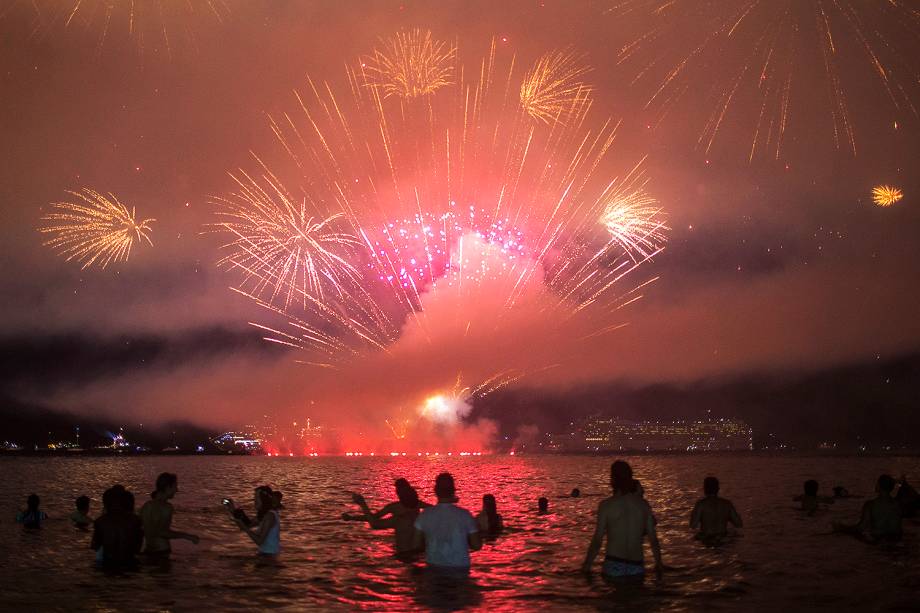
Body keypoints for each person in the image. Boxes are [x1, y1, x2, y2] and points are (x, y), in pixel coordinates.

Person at [582, 460, 663, 580]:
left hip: (613, 563)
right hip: (636, 565)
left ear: (613, 479)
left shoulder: (606, 505)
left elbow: (597, 541)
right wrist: (659, 564)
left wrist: (587, 566)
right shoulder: (643, 505)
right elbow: (653, 540)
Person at [413, 473, 482, 570]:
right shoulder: (465, 515)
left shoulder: (424, 515)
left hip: (434, 567)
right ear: (453, 490)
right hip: (460, 569)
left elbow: (416, 545)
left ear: (435, 490)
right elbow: (477, 545)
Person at [343, 478, 429, 555]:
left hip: (405, 552)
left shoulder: (396, 510)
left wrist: (360, 506)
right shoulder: (417, 504)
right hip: (419, 551)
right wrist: (352, 518)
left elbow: (374, 520)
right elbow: (373, 518)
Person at [139, 472, 199, 556]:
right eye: (175, 486)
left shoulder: (146, 506)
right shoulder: (166, 507)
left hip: (148, 551)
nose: (177, 490)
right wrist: (188, 537)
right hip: (162, 551)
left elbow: (142, 530)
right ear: (168, 487)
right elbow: (162, 532)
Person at [834, 474, 902, 542]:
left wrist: (842, 528)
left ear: (879, 486)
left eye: (877, 483)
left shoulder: (870, 505)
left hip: (877, 539)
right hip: (896, 539)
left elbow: (861, 527)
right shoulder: (898, 504)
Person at [91, 485, 143, 568]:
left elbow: (95, 547)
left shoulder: (100, 522)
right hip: (130, 566)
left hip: (107, 567)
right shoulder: (135, 521)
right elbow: (138, 549)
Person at [227, 485, 281, 555]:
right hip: (263, 555)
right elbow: (246, 525)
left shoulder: (270, 516)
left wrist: (246, 529)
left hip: (269, 558)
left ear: (263, 499)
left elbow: (259, 541)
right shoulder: (263, 515)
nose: (254, 501)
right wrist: (233, 510)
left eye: (256, 498)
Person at [689, 476, 742, 542]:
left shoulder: (701, 504)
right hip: (723, 538)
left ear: (705, 489)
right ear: (718, 489)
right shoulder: (727, 504)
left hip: (707, 539)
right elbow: (738, 524)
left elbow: (693, 525)